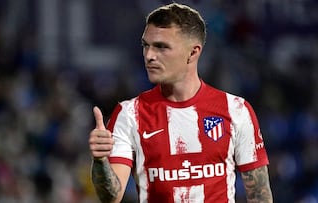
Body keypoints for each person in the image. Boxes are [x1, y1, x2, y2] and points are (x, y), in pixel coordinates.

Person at [89, 3, 273, 203]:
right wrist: (100, 161)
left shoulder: (236, 110)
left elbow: (260, 195)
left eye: (161, 46)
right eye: (146, 45)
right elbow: (111, 197)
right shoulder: (128, 114)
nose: (149, 55)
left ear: (193, 53)